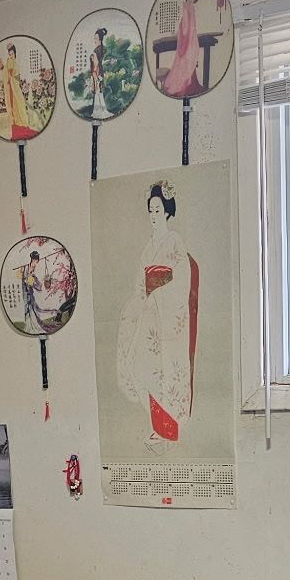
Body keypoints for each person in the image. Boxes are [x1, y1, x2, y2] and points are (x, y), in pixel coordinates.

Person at [116, 180, 199, 445]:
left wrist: (159, 294)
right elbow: (140, 284)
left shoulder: (174, 241)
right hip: (150, 312)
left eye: (157, 209)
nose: (153, 215)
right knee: (139, 364)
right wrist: (144, 297)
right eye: (150, 210)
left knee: (167, 372)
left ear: (167, 211)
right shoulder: (148, 246)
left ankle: (168, 428)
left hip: (168, 314)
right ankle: (158, 425)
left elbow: (182, 277)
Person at [159, 0, 208, 100]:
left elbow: (190, 25)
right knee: (184, 62)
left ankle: (189, 84)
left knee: (187, 61)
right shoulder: (186, 6)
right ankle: (182, 86)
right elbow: (185, 24)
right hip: (187, 38)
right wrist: (185, 36)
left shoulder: (190, 7)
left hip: (191, 37)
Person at [0, 43, 37, 140]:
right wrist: (8, 77)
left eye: (12, 54)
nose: (11, 56)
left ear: (15, 53)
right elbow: (6, 74)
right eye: (9, 54)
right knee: (12, 106)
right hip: (10, 88)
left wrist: (11, 78)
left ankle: (20, 124)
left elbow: (15, 76)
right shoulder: (8, 63)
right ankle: (15, 124)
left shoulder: (15, 63)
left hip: (15, 88)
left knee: (18, 105)